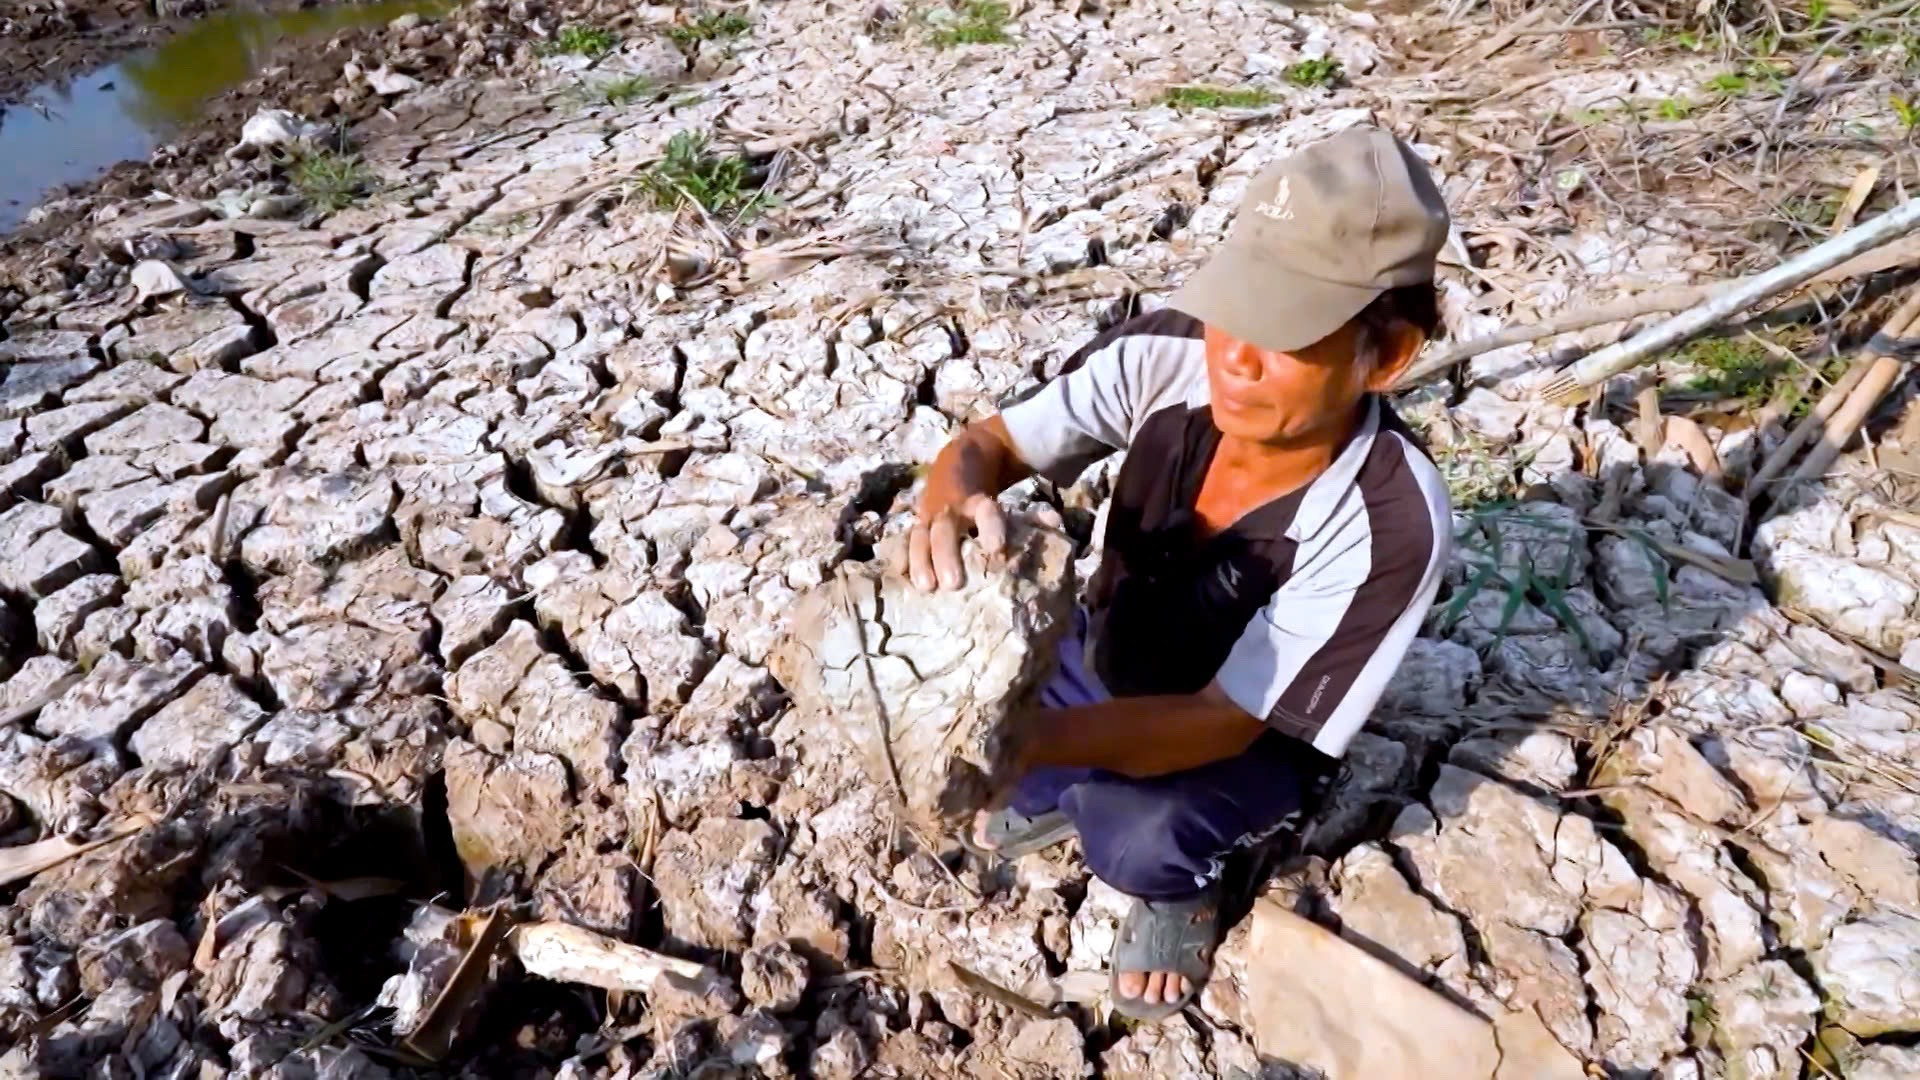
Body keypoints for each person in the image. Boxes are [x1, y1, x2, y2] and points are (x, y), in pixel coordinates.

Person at [906, 125, 1456, 1021]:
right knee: (994, 686)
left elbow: (1223, 720)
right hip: (1108, 650)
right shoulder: (1164, 353)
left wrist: (1025, 742)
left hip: (1240, 733)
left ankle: (1188, 884)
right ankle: (1056, 769)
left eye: (1285, 334)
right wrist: (950, 503)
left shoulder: (1389, 519)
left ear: (1386, 355)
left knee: (1137, 838)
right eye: (1233, 310)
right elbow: (990, 445)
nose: (1234, 360)